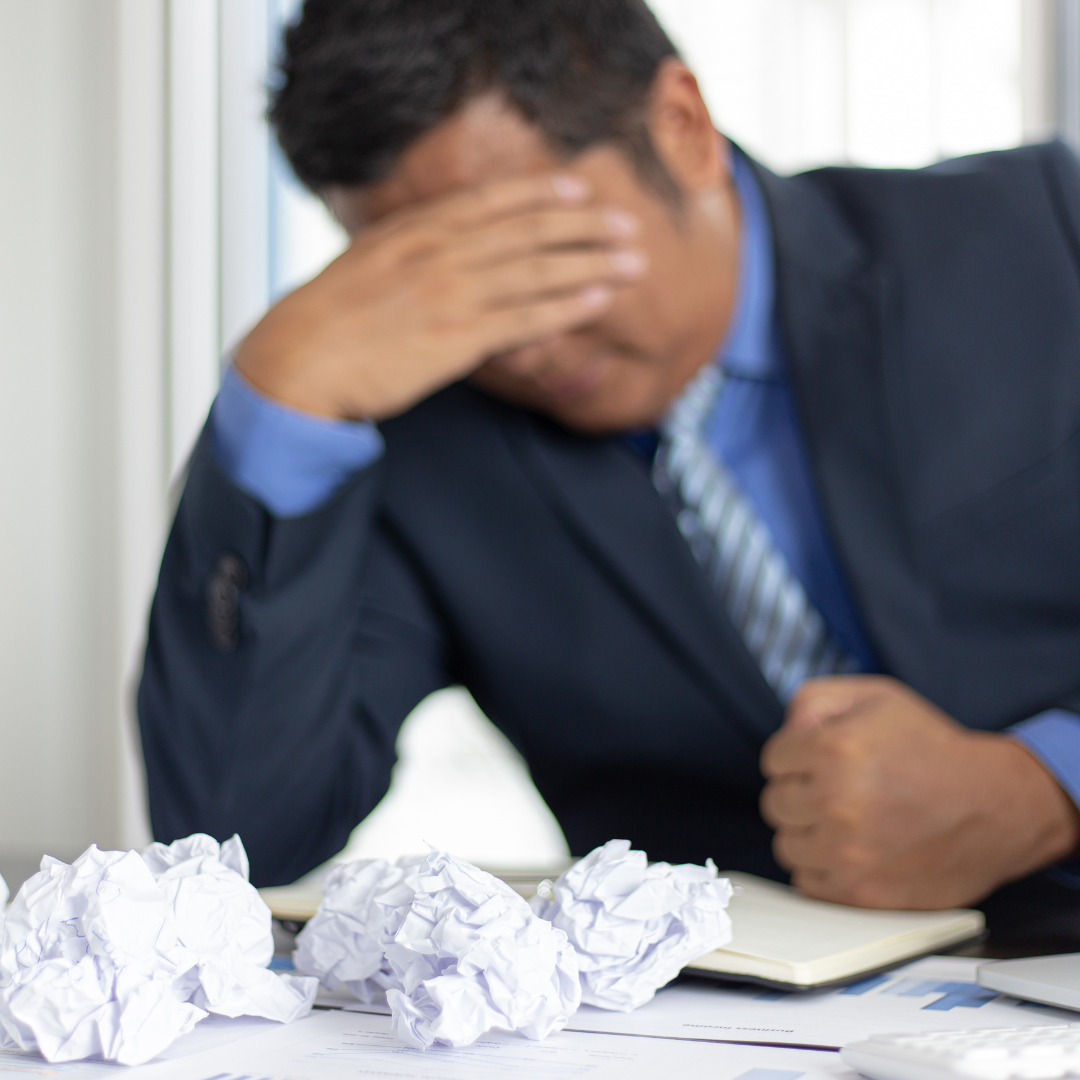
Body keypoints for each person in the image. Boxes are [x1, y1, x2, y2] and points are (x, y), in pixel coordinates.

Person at [139, 0, 1080, 922]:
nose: (516, 343)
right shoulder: (422, 449)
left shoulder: (1043, 239)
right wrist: (279, 400)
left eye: (533, 255)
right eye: (437, 281)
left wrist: (1046, 791)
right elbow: (237, 840)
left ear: (681, 127)